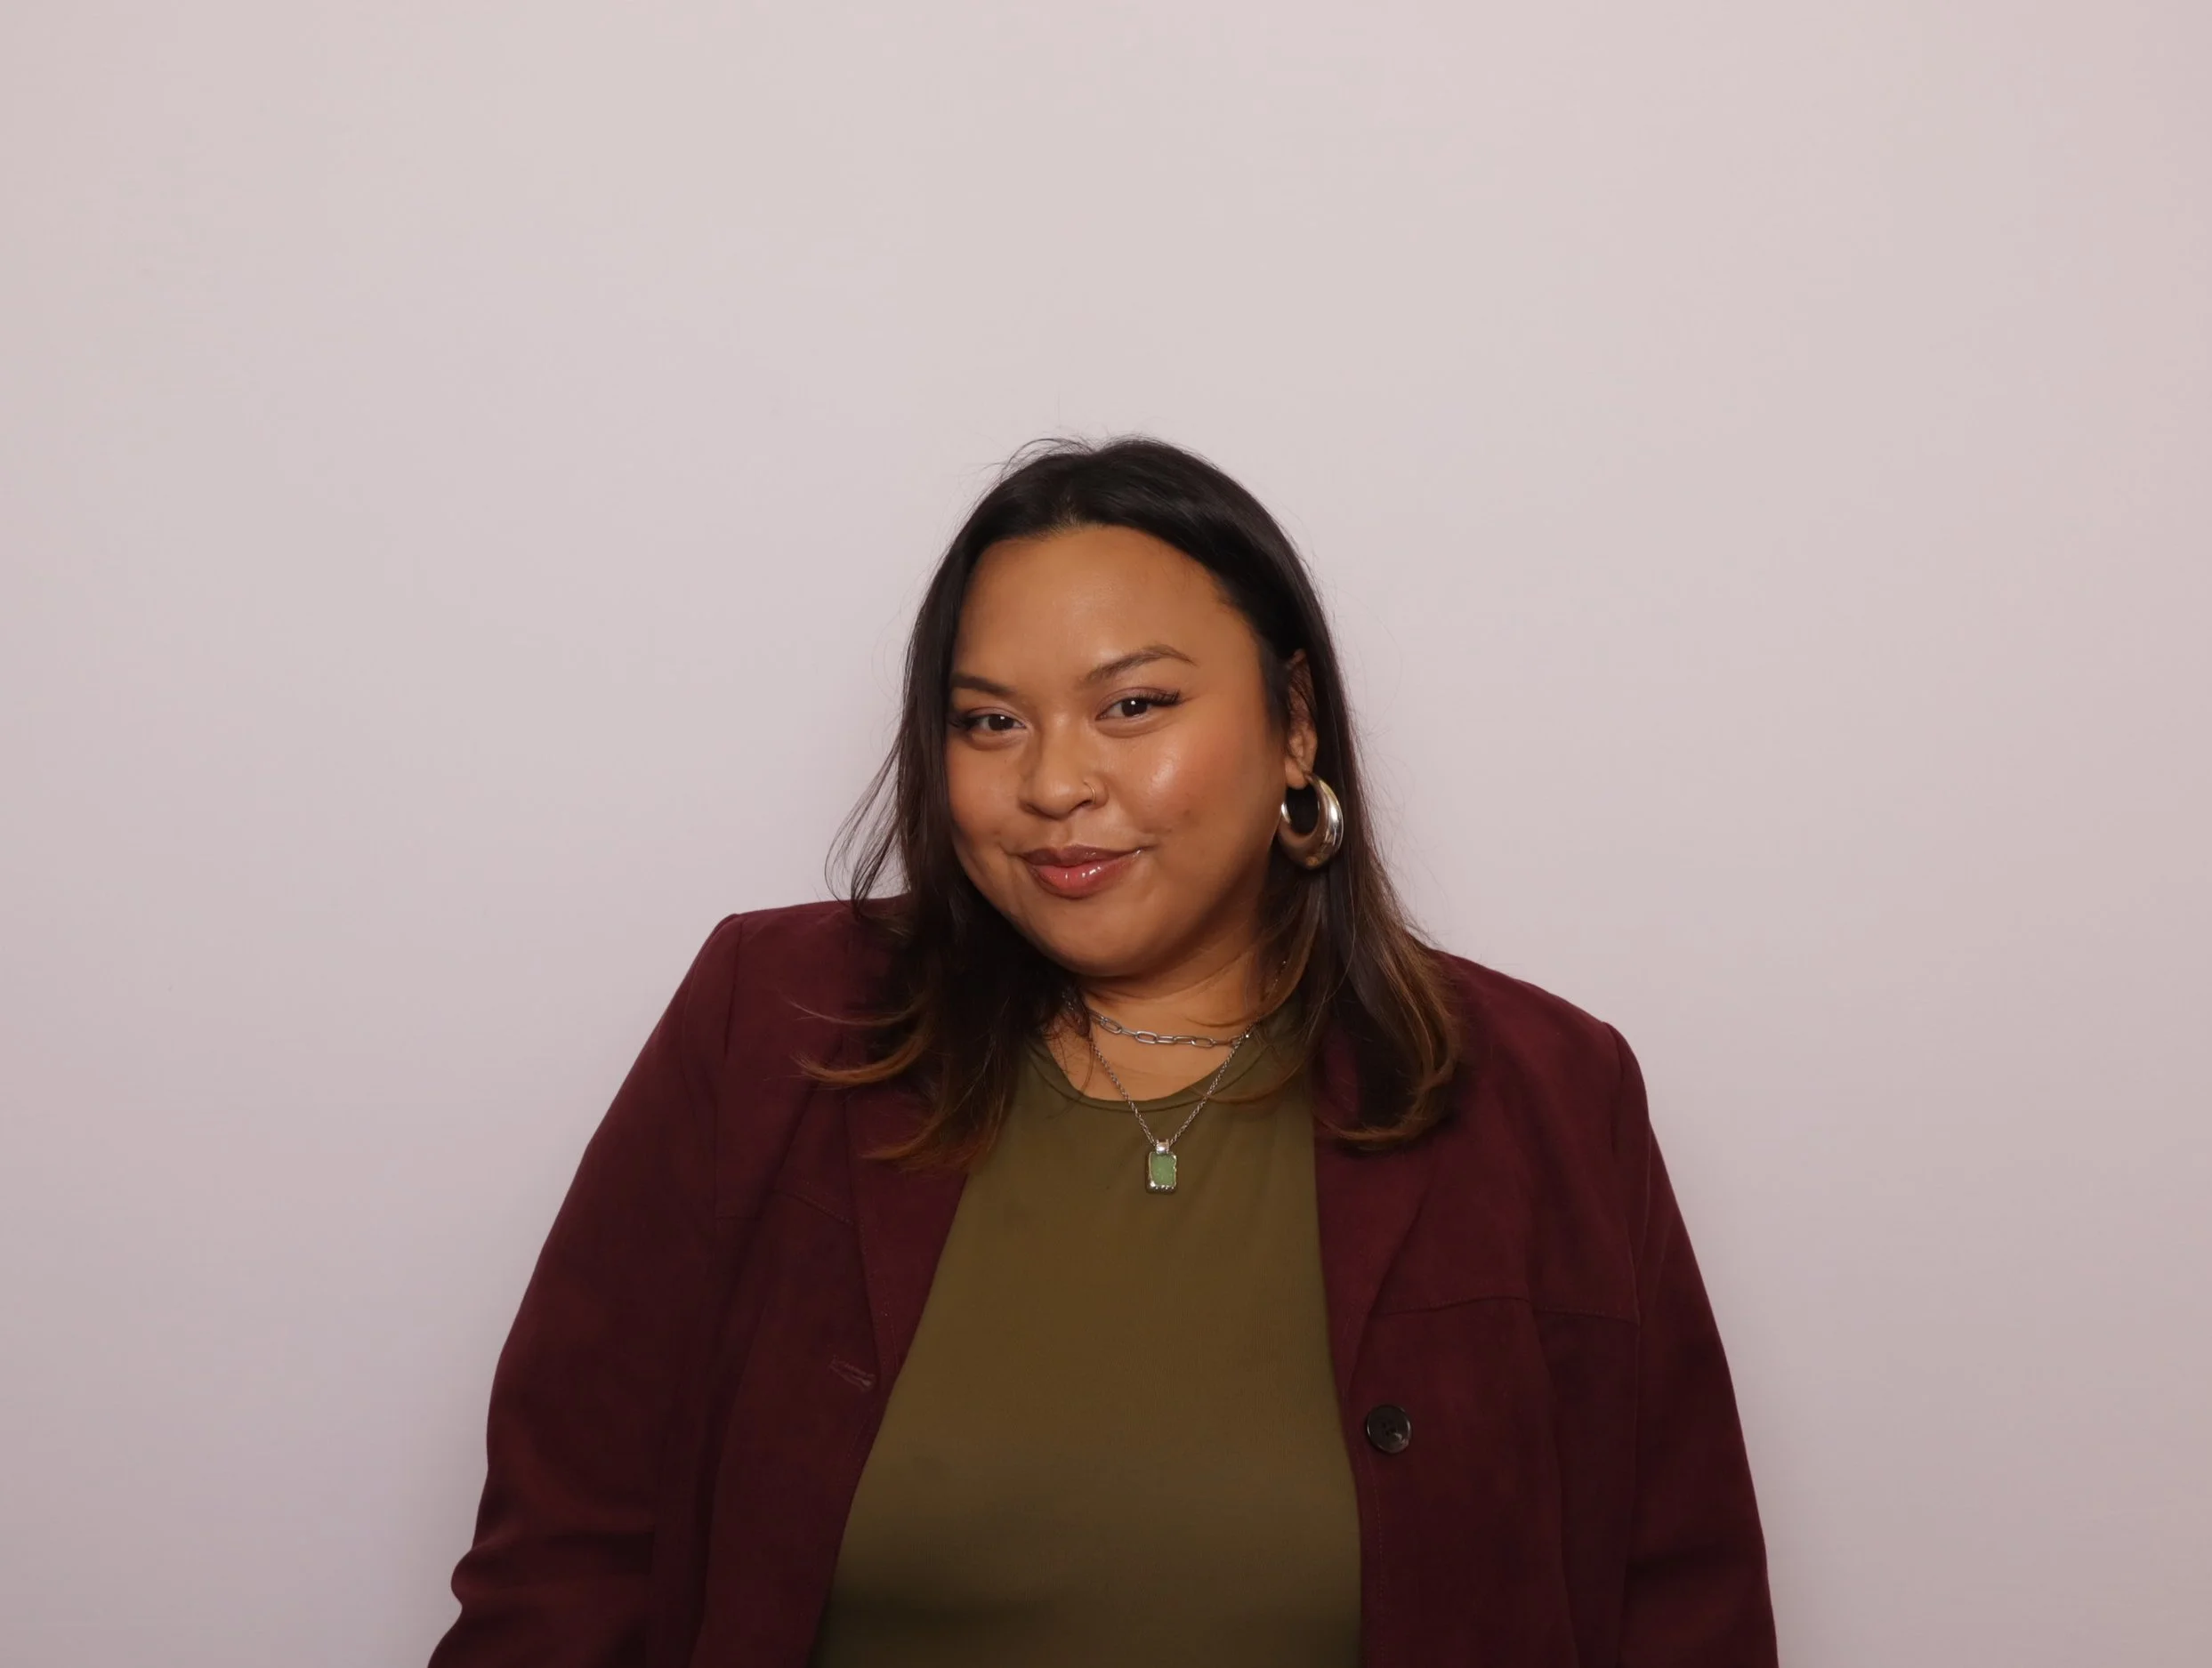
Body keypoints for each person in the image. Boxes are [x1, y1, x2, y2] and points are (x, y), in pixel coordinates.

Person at [427, 437, 1777, 1667]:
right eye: (988, 719)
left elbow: (1682, 1608)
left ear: (1293, 721)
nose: (1054, 780)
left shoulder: (1542, 1096)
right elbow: (565, 1557)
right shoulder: (771, 1025)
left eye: (1133, 706)